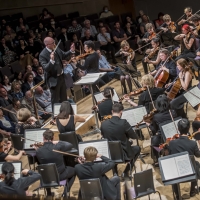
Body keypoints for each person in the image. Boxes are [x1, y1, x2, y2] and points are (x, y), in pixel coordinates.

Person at [101, 103, 141, 177]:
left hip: (110, 155)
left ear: (112, 111)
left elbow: (103, 136)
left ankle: (115, 173)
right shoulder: (123, 122)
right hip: (124, 155)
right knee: (137, 149)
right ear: (121, 112)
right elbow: (134, 136)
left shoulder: (103, 124)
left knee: (113, 148)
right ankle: (125, 172)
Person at [36, 129, 75, 196]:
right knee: (75, 170)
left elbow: (39, 162)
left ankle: (49, 193)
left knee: (46, 169)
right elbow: (69, 144)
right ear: (53, 138)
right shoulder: (57, 147)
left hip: (46, 178)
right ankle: (65, 193)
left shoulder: (38, 151)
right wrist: (56, 141)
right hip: (60, 175)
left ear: (43, 138)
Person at [39, 37, 75, 109]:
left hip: (61, 76)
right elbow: (46, 68)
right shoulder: (42, 55)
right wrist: (51, 60)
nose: (54, 44)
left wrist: (71, 50)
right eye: (52, 43)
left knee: (64, 97)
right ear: (47, 45)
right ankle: (55, 117)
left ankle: (66, 113)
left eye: (54, 42)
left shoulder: (56, 48)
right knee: (55, 100)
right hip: (53, 79)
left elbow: (63, 54)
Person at [169, 118, 200, 198]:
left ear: (178, 129)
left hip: (177, 174)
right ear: (188, 129)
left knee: (173, 166)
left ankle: (177, 195)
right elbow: (198, 155)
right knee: (196, 163)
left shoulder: (172, 143)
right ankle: (192, 191)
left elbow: (169, 155)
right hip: (190, 173)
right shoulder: (193, 143)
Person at [148, 95, 176, 163]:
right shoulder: (173, 112)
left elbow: (155, 130)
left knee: (154, 141)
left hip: (163, 138)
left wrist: (149, 125)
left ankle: (158, 156)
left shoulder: (156, 117)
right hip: (173, 134)